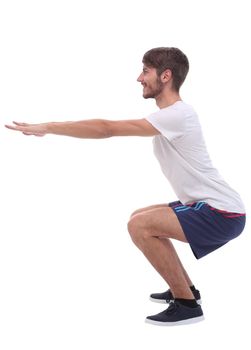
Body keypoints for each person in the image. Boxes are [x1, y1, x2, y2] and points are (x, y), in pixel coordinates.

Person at [5, 47, 246, 326]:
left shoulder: (178, 114)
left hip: (222, 213)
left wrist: (47, 126)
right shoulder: (172, 115)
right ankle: (186, 289)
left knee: (140, 226)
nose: (139, 78)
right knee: (139, 216)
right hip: (212, 206)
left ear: (166, 76)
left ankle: (187, 305)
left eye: (145, 71)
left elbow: (107, 128)